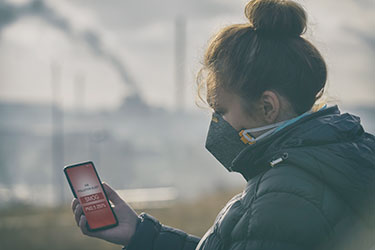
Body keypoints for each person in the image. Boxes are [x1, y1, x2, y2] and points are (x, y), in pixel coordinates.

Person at [71, 0, 375, 249]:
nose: (216, 123)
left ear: (268, 107)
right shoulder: (343, 155)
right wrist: (141, 235)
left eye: (221, 110)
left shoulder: (281, 200)